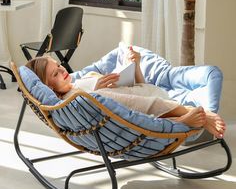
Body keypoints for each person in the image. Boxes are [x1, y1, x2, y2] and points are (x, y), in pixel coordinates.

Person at [25, 47, 226, 139]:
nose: (63, 70)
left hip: (154, 94)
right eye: (55, 73)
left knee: (210, 75)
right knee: (147, 101)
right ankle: (184, 121)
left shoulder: (77, 82)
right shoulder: (78, 98)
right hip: (155, 108)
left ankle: (190, 115)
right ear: (49, 87)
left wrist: (134, 66)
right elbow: (135, 106)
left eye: (60, 66)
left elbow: (137, 89)